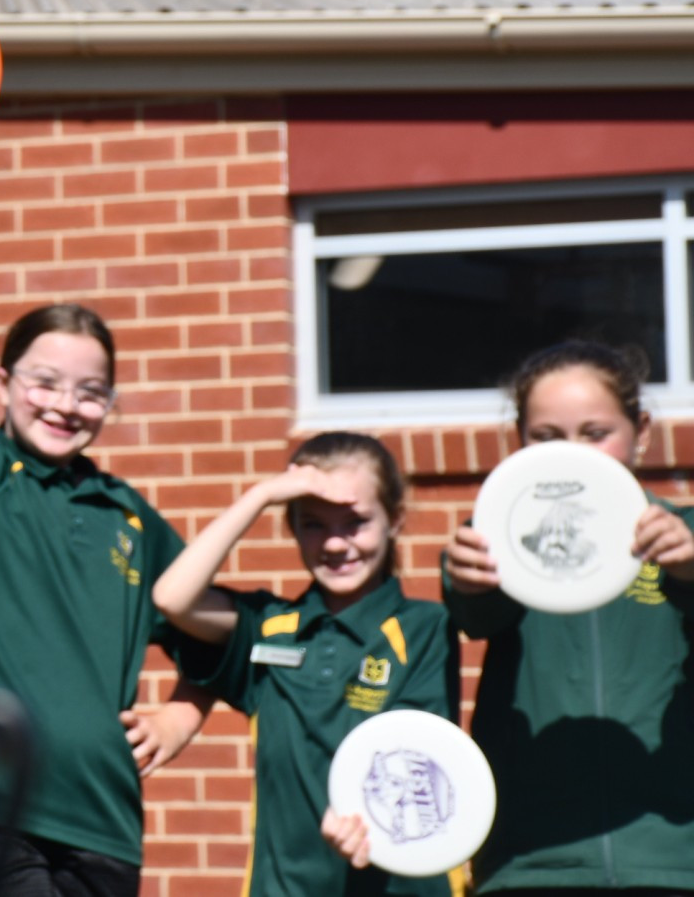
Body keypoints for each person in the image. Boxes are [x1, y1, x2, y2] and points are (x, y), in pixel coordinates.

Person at [0, 98, 210, 897]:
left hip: (104, 823)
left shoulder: (132, 517)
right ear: (5, 383)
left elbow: (221, 637)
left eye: (91, 390)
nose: (65, 403)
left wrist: (185, 711)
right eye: (44, 380)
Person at [151, 432, 459, 895]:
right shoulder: (269, 626)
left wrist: (366, 815)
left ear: (394, 520)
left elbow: (416, 762)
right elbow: (172, 597)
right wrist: (262, 495)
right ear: (291, 526)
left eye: (355, 522)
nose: (335, 544)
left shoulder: (425, 627)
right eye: (313, 523)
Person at [442, 340, 694, 895]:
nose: (573, 453)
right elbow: (474, 615)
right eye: (547, 436)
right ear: (521, 443)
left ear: (642, 431)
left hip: (673, 856)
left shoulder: (685, 536)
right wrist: (469, 577)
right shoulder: (494, 538)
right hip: (531, 861)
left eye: (596, 432)